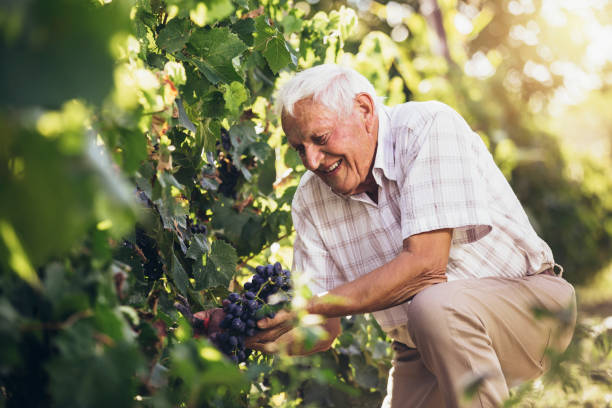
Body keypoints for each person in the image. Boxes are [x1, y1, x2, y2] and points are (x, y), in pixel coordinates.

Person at [201, 64, 577, 407]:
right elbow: (322, 330)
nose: (312, 161)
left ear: (364, 110)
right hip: (423, 343)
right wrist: (254, 330)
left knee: (434, 306)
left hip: (532, 311)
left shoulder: (426, 127)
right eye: (301, 148)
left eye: (321, 137)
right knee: (432, 316)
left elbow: (426, 267)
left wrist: (310, 305)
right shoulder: (310, 199)